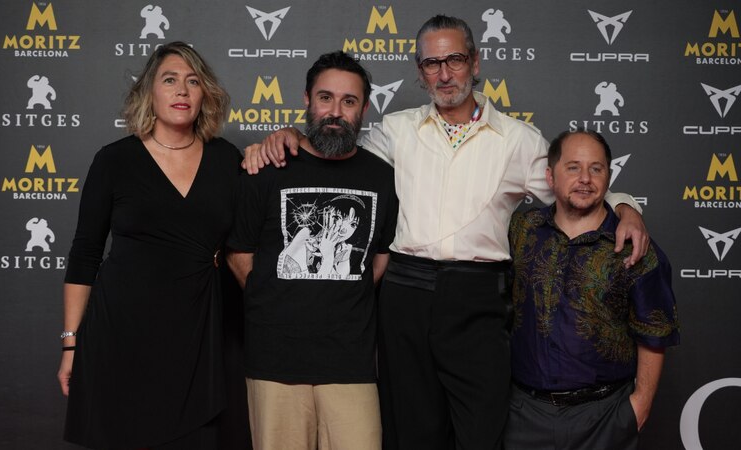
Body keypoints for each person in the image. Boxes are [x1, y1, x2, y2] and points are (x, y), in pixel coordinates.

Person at [242, 15, 650, 450]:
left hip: (478, 299)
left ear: (475, 62)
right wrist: (285, 135)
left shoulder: (517, 140)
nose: (444, 73)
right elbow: (332, 146)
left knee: (482, 431)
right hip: (405, 293)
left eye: (454, 59)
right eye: (431, 63)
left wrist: (626, 206)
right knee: (413, 431)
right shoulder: (395, 130)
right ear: (420, 73)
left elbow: (571, 184)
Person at [56, 41, 242, 449]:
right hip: (122, 335)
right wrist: (71, 343)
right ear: (149, 92)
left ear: (204, 94)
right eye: (170, 80)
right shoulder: (113, 161)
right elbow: (85, 254)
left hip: (200, 335)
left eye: (193, 82)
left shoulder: (228, 160)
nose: (182, 91)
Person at [226, 51, 399, 450]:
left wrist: (339, 288)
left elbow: (379, 257)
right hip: (274, 363)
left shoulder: (382, 177)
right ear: (307, 99)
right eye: (326, 98)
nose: (335, 111)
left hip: (351, 364)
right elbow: (239, 253)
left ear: (364, 108)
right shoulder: (266, 169)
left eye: (349, 101)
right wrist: (276, 295)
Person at [505, 129, 679, 450]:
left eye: (596, 169)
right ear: (550, 176)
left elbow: (654, 332)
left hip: (604, 416)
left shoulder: (634, 247)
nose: (585, 178)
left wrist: (638, 406)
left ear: (608, 176)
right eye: (573, 167)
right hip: (524, 414)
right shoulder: (522, 230)